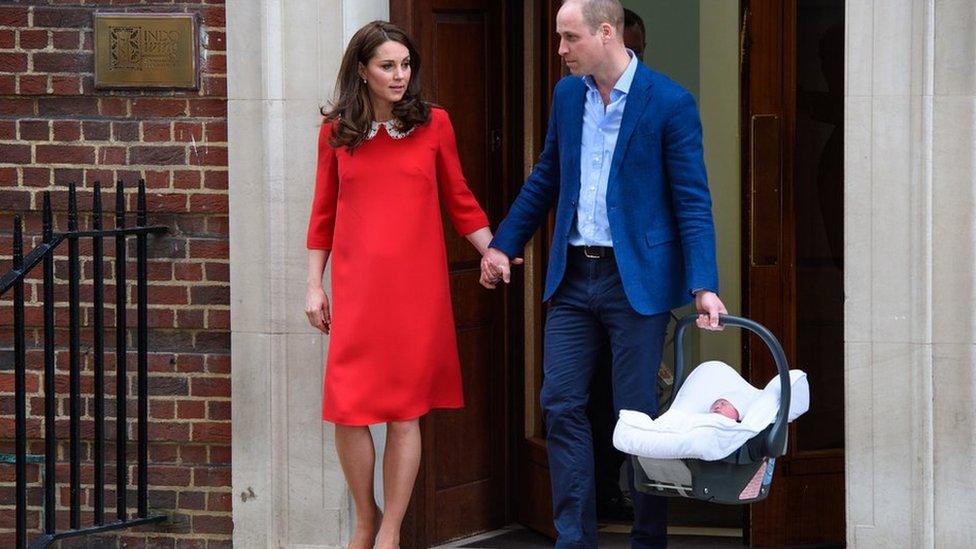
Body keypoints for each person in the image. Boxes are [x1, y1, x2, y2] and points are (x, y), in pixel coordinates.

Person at [480, 1, 727, 547]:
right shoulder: (568, 95)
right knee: (560, 404)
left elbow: (692, 201)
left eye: (569, 38)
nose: (561, 50)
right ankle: (575, 539)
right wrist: (503, 244)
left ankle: (648, 537)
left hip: (634, 281)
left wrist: (704, 284)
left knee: (636, 415)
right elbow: (547, 173)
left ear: (606, 32)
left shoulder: (669, 102)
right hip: (572, 277)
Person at [305, 20, 499, 549]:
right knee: (349, 410)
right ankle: (365, 516)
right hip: (357, 288)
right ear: (362, 71)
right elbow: (323, 213)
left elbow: (459, 198)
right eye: (387, 65)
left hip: (416, 290)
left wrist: (491, 249)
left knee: (406, 414)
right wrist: (313, 286)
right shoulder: (336, 131)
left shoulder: (435, 124)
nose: (399, 75)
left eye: (405, 65)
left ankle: (389, 532)